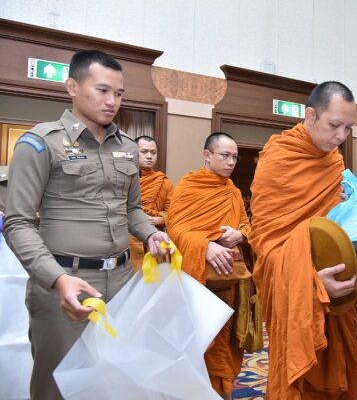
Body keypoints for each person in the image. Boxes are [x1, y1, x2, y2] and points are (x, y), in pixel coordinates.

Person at [2, 49, 170, 400]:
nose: (112, 101)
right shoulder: (40, 143)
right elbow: (18, 223)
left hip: (122, 283)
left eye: (119, 93)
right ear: (72, 87)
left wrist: (152, 234)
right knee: (57, 386)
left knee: (113, 382)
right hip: (64, 283)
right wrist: (57, 278)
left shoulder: (127, 147)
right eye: (102, 90)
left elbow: (132, 210)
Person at [249, 81, 357, 400]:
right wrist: (310, 284)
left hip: (335, 284)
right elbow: (267, 243)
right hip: (294, 289)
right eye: (334, 125)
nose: (341, 136)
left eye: (348, 128)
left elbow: (335, 226)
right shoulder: (279, 158)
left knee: (337, 369)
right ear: (311, 115)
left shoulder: (335, 162)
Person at [167, 132, 251, 400]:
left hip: (229, 281)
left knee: (225, 344)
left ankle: (222, 392)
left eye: (235, 157)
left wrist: (241, 235)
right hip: (198, 281)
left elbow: (246, 224)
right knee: (200, 341)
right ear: (207, 155)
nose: (231, 162)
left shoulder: (233, 192)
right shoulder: (188, 186)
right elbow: (175, 229)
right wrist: (205, 246)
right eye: (225, 155)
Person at [128, 135, 174, 270]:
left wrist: (159, 220)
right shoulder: (126, 178)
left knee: (153, 278)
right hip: (128, 239)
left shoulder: (164, 182)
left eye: (153, 152)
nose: (149, 156)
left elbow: (174, 213)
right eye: (144, 152)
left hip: (154, 240)